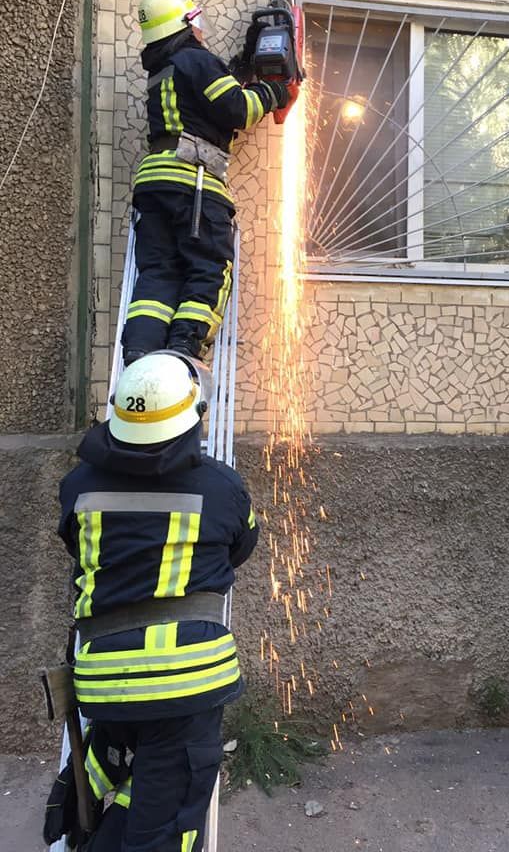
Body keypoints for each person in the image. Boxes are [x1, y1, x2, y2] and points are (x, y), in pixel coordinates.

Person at [52, 351, 259, 850]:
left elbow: (75, 547)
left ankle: (95, 799)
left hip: (105, 683)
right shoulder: (222, 486)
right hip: (185, 684)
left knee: (140, 777)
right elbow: (242, 548)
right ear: (193, 419)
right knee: (165, 825)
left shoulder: (77, 486)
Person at [122, 0, 289, 365]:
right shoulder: (195, 59)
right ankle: (184, 352)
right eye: (196, 20)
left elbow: (201, 104)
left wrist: (239, 69)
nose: (202, 29)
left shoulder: (164, 67)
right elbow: (236, 110)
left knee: (158, 274)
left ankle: (140, 355)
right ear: (184, 24)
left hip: (154, 182)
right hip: (193, 183)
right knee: (209, 268)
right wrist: (272, 93)